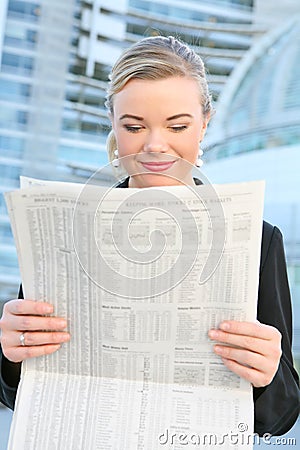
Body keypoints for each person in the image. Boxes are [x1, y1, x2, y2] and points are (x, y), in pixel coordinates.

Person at [0, 36, 299, 437]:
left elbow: (281, 417)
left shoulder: (255, 240)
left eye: (177, 126)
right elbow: (16, 393)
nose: (155, 146)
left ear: (205, 123)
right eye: (134, 126)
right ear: (113, 124)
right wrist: (11, 355)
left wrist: (267, 374)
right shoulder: (65, 225)